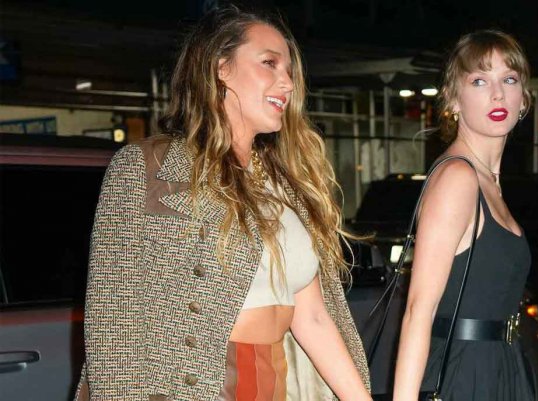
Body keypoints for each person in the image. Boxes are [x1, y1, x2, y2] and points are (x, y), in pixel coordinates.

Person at [75, 6, 371, 401]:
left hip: (274, 378)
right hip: (192, 386)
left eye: (289, 71)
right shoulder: (146, 169)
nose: (287, 83)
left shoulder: (285, 183)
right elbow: (113, 321)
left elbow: (314, 316)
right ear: (221, 68)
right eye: (269, 63)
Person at [392, 30, 534, 401]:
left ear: (524, 99)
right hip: (466, 375)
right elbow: (418, 310)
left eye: (509, 79)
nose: (498, 94)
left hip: (502, 365)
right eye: (479, 81)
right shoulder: (458, 177)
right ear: (453, 100)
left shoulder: (488, 182)